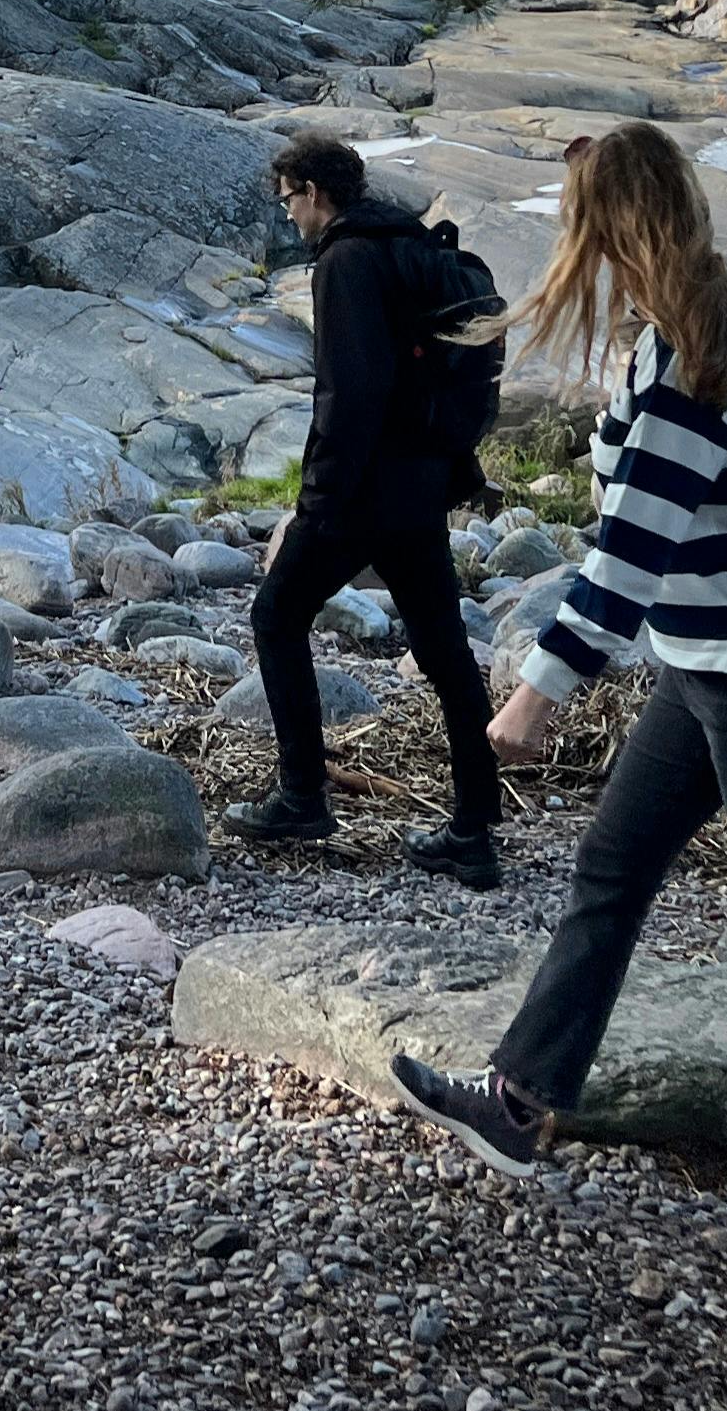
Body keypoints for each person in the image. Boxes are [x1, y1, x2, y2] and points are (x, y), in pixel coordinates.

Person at [384, 119, 727, 1274]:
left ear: (607, 232)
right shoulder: (700, 328)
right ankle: (523, 1101)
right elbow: (655, 508)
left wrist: (539, 693)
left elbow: (631, 555)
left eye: (575, 226)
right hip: (718, 660)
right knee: (614, 870)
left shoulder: (702, 357)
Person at [224, 133, 506, 890]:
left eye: (288, 199)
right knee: (446, 651)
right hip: (420, 485)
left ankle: (302, 796)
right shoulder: (405, 242)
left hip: (364, 491)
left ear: (315, 190)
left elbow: (349, 395)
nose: (288, 216)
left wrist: (308, 507)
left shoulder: (346, 259)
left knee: (276, 616)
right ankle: (475, 828)